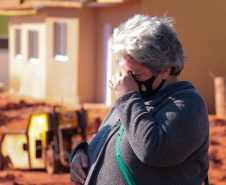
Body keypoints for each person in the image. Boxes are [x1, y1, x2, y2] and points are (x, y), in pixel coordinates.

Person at [70, 14, 209, 185]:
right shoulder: (135, 99)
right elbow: (109, 138)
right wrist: (82, 152)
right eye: (125, 71)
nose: (126, 79)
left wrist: (128, 97)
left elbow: (152, 151)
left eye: (135, 73)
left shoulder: (189, 105)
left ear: (165, 70)